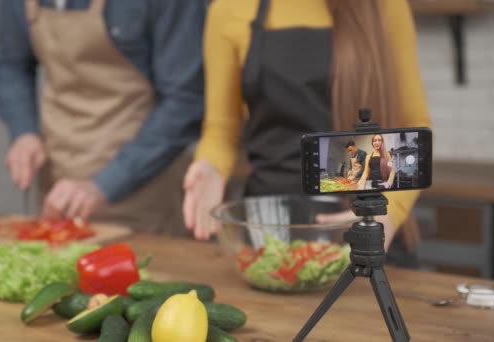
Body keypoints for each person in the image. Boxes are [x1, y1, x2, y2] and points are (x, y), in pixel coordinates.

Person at [182, 0, 432, 262]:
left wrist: (390, 212)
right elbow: (221, 131)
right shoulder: (229, 10)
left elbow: (416, 128)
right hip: (270, 229)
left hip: (365, 226)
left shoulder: (382, 6)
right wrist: (210, 165)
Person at [0, 0, 205, 235]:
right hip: (55, 178)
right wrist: (24, 132)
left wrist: (106, 185)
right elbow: (13, 65)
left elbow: (186, 101)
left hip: (143, 191)